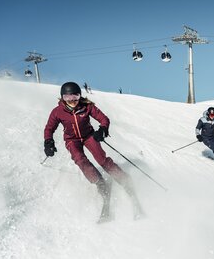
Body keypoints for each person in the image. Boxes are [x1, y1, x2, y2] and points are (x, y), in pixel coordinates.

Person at [44, 82, 142, 217]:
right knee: (80, 160)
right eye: (68, 98)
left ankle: (124, 179)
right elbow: (49, 128)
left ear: (80, 96)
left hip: (89, 136)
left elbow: (103, 119)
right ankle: (100, 183)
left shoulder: (87, 106)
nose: (72, 101)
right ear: (62, 98)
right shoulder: (57, 111)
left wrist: (103, 129)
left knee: (102, 159)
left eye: (75, 97)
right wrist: (48, 141)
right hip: (72, 140)